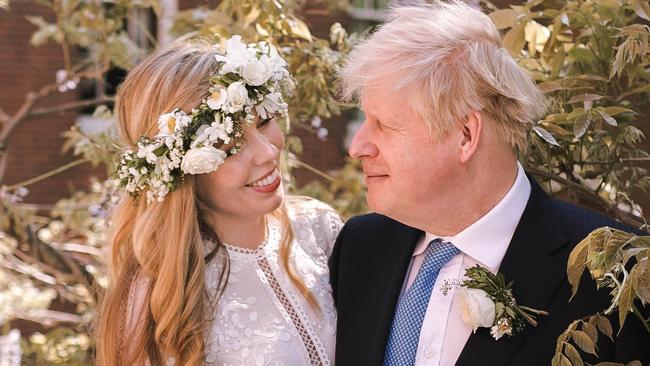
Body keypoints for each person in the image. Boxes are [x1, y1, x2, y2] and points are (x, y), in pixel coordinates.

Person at [329, 2, 649, 365]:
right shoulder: (361, 249)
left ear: (465, 135)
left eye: (383, 125)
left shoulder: (615, 274)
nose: (358, 147)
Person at [96, 35, 342, 366]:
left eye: (264, 121)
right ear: (182, 171)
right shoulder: (160, 299)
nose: (269, 153)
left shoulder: (321, 230)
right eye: (231, 146)